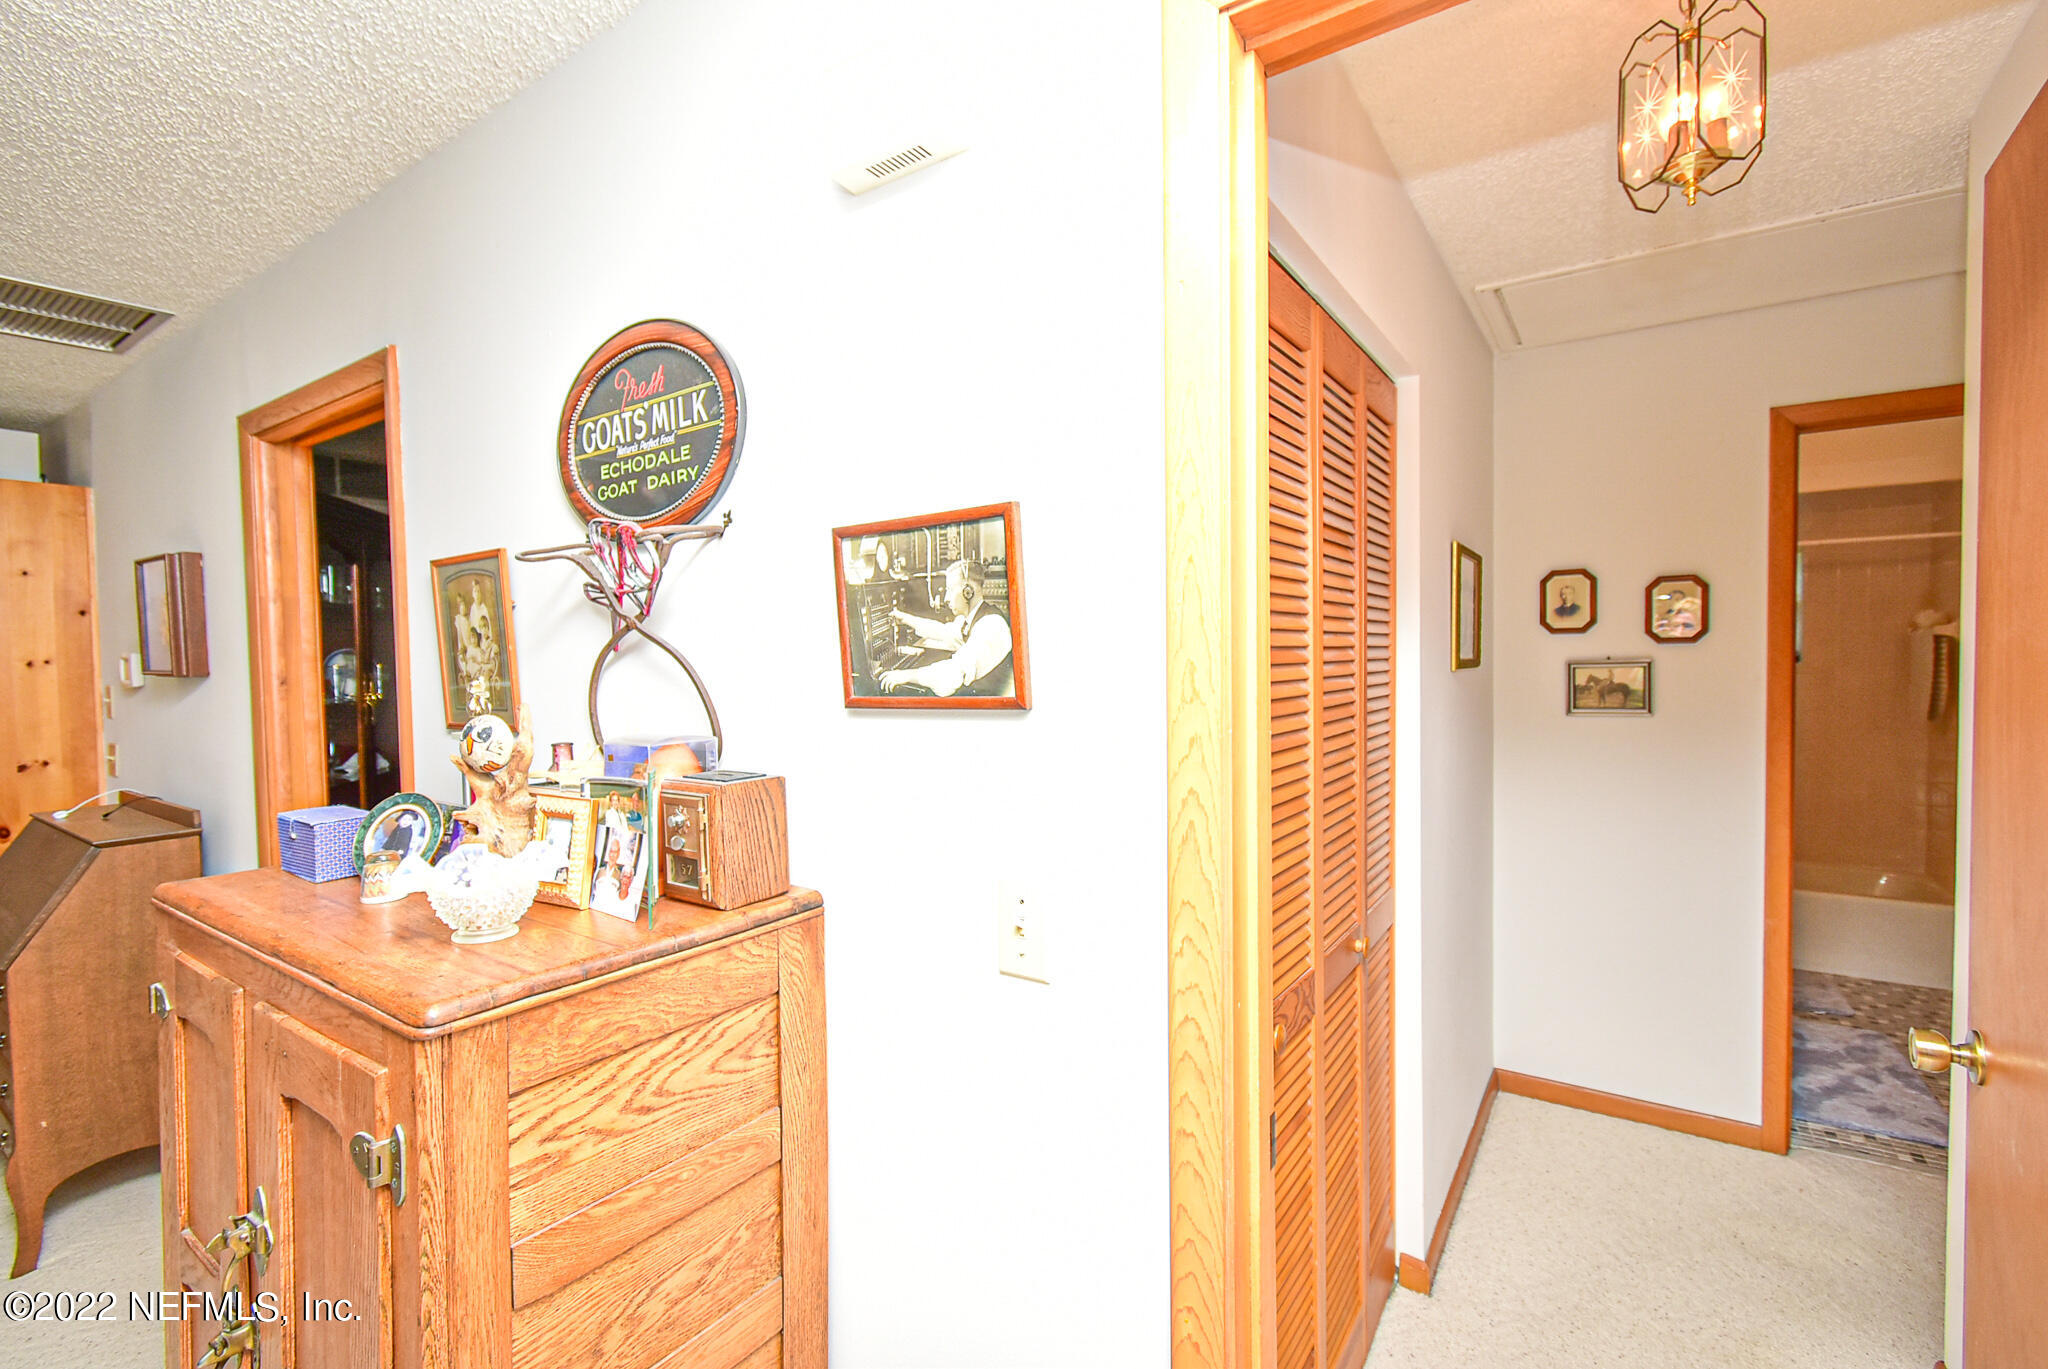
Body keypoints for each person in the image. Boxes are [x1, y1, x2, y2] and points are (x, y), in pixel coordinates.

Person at [879, 559, 1013, 697]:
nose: (946, 599)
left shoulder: (991, 625)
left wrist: (907, 675)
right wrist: (905, 619)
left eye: (950, 590)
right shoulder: (971, 619)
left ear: (968, 592)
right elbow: (944, 631)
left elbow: (954, 672)